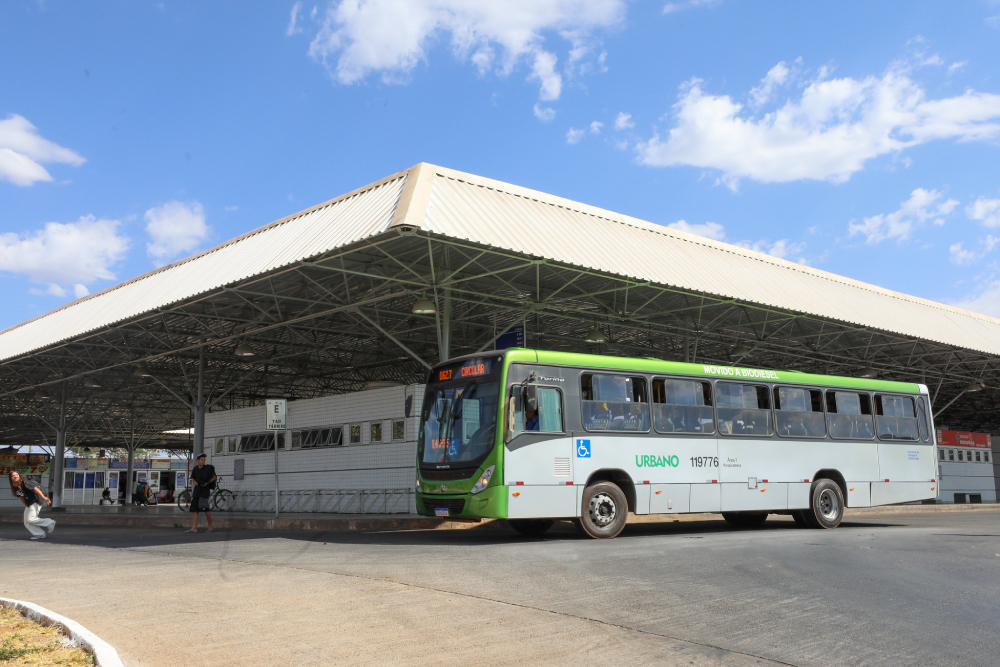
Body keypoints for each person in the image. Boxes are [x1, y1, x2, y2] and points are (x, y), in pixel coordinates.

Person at [8, 471, 55, 540]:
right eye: (13, 476)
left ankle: (49, 522)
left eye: (16, 474)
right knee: (26, 521)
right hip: (29, 503)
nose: (15, 476)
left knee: (31, 519)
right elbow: (21, 496)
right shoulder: (16, 486)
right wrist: (25, 504)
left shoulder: (24, 482)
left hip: (35, 501)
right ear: (10, 478)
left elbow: (35, 488)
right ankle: (40, 534)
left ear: (19, 475)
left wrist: (44, 498)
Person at [187, 453, 216, 533]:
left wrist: (207, 482)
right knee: (195, 510)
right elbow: (194, 478)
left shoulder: (208, 468)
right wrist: (195, 482)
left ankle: (211, 526)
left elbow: (214, 477)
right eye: (201, 460)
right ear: (197, 460)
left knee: (206, 509)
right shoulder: (195, 469)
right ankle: (194, 528)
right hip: (197, 491)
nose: (203, 461)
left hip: (204, 491)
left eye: (204, 460)